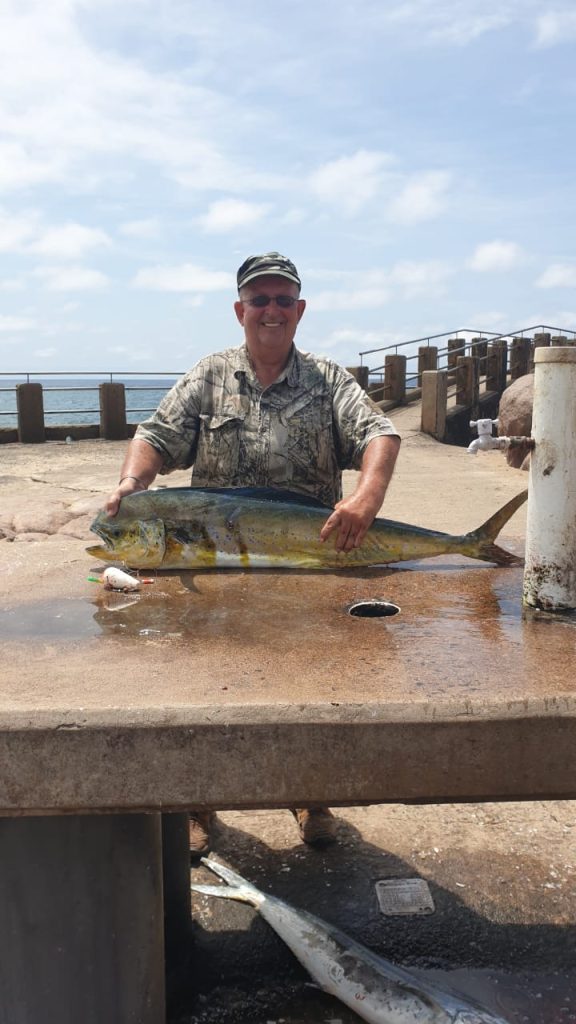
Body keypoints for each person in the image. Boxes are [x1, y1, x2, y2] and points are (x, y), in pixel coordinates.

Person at [106, 251, 400, 856]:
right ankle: (196, 803)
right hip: (214, 564)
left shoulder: (328, 379)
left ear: (299, 310)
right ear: (240, 310)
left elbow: (380, 433)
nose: (271, 310)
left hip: (309, 560)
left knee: (313, 683)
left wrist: (367, 498)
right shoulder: (209, 375)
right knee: (204, 682)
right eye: (259, 300)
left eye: (282, 300)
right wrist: (133, 485)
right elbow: (155, 437)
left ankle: (309, 796)